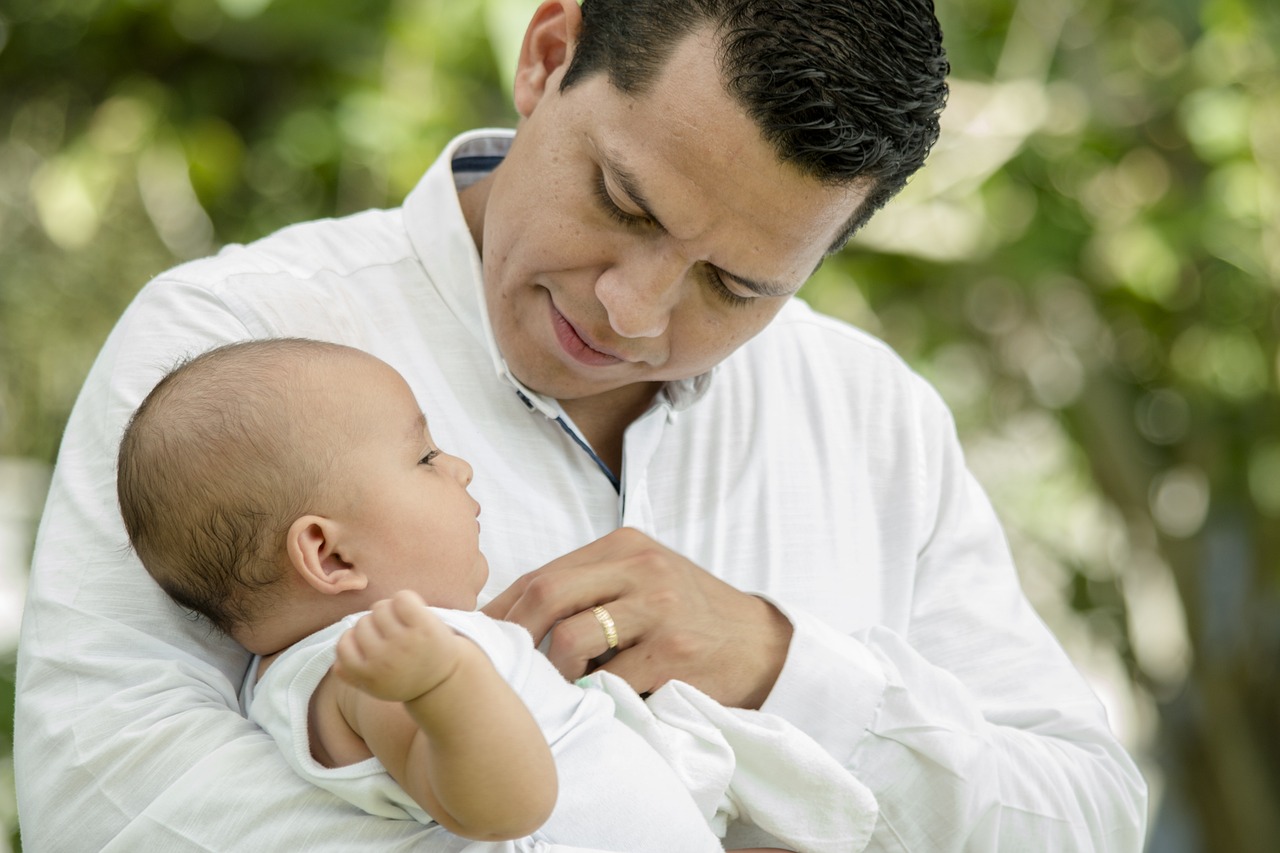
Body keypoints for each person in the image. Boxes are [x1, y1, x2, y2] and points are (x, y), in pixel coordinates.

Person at [15, 1, 1148, 850]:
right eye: (624, 203)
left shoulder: (873, 415)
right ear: (546, 54)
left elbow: (1085, 814)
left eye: (736, 286)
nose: (633, 310)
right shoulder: (231, 341)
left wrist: (775, 663)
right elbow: (105, 798)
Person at [115, 336, 873, 852]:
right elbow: (501, 808)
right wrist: (444, 681)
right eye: (424, 455)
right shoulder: (364, 676)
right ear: (329, 552)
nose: (462, 469)